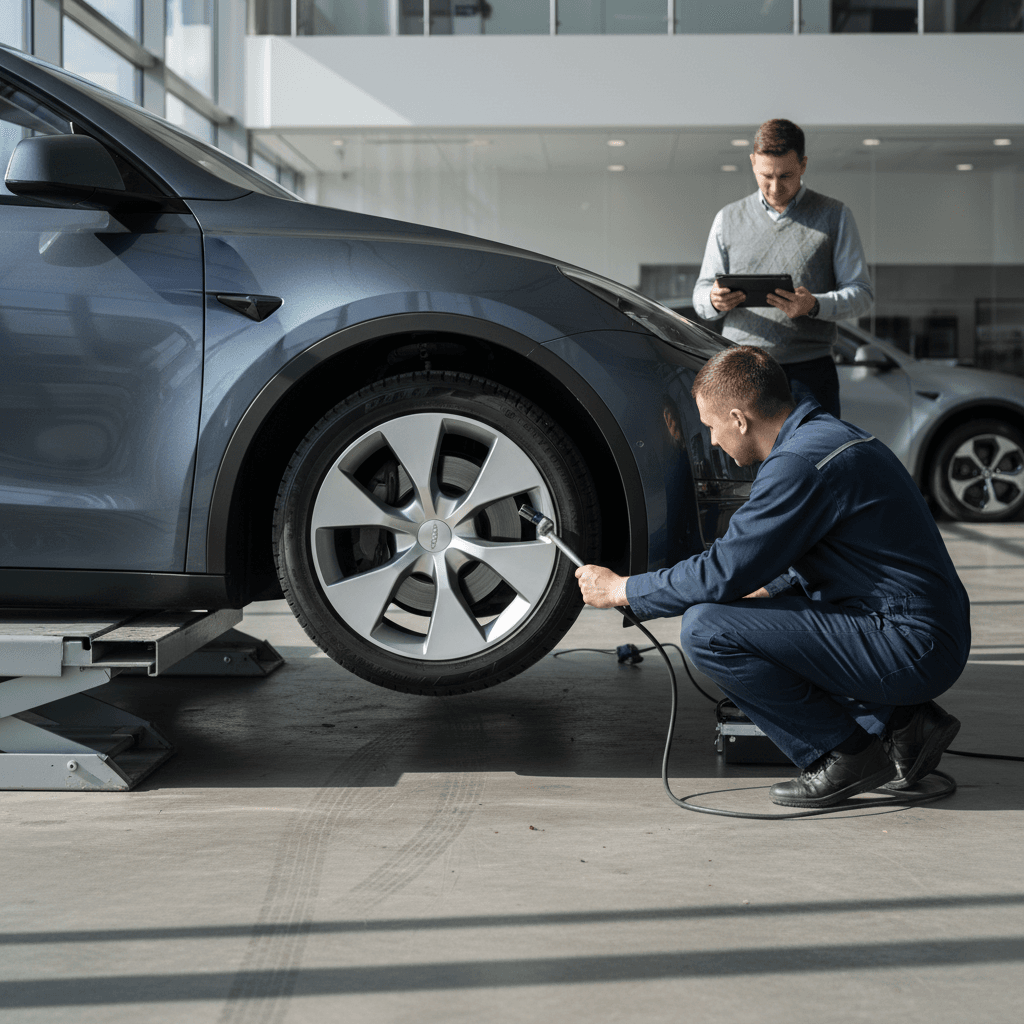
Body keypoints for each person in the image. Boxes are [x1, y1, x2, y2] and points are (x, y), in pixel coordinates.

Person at [575, 346, 969, 808]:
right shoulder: (824, 438)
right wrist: (764, 591)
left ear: (740, 419)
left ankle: (845, 754)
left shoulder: (799, 463)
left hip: (911, 643)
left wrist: (623, 589)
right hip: (917, 630)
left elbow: (722, 570)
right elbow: (836, 557)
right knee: (746, 612)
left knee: (707, 630)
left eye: (712, 425)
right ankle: (905, 722)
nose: (714, 439)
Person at [692, 119, 873, 418]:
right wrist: (714, 300)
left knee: (815, 460)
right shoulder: (727, 218)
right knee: (744, 465)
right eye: (766, 176)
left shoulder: (835, 216)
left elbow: (862, 294)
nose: (775, 187)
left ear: (803, 165)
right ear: (752, 163)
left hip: (810, 372)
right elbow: (701, 293)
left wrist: (814, 305)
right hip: (741, 371)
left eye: (786, 175)